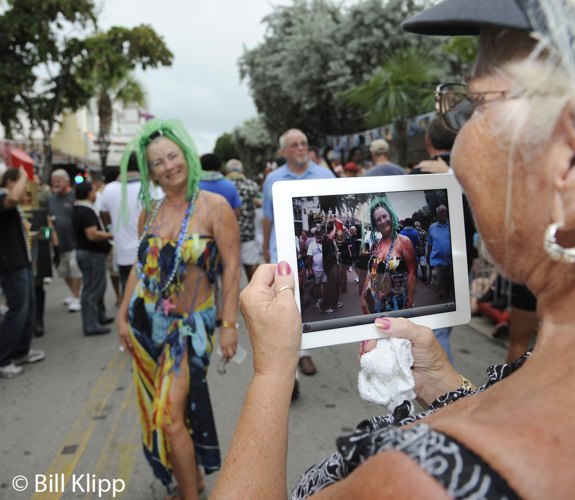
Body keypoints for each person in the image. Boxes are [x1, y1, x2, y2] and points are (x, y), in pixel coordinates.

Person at [212, 1, 575, 498]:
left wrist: (273, 372)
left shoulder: (416, 483)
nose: (458, 136)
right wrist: (444, 386)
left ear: (568, 158)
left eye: (475, 104)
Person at [116, 118, 240, 498]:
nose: (168, 166)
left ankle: (190, 494)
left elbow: (232, 266)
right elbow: (141, 265)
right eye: (157, 162)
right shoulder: (149, 213)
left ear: (186, 155)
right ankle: (194, 480)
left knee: (169, 416)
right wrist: (122, 314)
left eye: (172, 156)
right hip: (148, 322)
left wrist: (228, 324)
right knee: (171, 410)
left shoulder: (214, 207)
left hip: (189, 328)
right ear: (149, 171)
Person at [262, 128, 335, 380]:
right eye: (295, 144)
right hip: (280, 252)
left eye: (304, 143)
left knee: (304, 302)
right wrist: (264, 249)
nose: (301, 148)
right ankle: (289, 372)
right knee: (286, 305)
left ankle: (303, 353)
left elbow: (333, 217)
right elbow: (267, 217)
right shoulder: (272, 179)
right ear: (283, 151)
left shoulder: (325, 176)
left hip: (314, 254)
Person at [0, 168, 45, 379]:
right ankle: (4, 359)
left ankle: (21, 352)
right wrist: (24, 172)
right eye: (21, 182)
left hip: (22, 262)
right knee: (17, 310)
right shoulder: (2, 196)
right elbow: (13, 197)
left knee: (29, 308)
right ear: (10, 182)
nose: (26, 186)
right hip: (10, 265)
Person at [360, 198, 416, 314]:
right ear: (375, 224)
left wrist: (410, 301)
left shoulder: (403, 242)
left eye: (384, 216)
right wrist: (363, 296)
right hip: (377, 304)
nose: (382, 221)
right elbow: (372, 273)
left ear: (390, 216)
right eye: (378, 219)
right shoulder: (375, 245)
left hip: (398, 304)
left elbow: (412, 272)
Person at [73, 181, 114, 336]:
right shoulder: (86, 211)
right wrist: (111, 235)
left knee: (98, 286)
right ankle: (91, 324)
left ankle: (99, 316)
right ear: (89, 193)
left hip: (88, 253)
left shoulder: (78, 208)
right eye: (93, 191)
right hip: (91, 254)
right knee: (92, 289)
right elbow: (92, 234)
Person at [99, 152, 142, 295]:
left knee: (128, 295)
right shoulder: (150, 189)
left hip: (122, 253)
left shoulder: (109, 189)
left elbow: (104, 218)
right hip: (147, 254)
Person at [48, 169, 82, 312]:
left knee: (75, 270)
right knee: (64, 271)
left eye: (58, 180)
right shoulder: (51, 199)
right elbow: (48, 219)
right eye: (54, 181)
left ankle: (75, 297)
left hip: (75, 241)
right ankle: (75, 294)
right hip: (58, 243)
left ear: (66, 181)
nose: (55, 183)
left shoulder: (74, 196)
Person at [225, 158, 261, 281]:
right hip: (247, 231)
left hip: (228, 232)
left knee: (230, 265)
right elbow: (257, 194)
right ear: (241, 170)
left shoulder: (224, 185)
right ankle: (255, 289)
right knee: (251, 264)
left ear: (227, 170)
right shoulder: (250, 185)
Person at [427, 204, 455, 361]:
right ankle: (435, 329)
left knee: (450, 297)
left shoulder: (452, 225)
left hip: (450, 265)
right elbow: (429, 246)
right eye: (441, 212)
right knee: (436, 295)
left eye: (445, 211)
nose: (444, 213)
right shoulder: (432, 228)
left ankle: (445, 328)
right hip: (437, 265)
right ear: (437, 214)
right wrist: (429, 268)